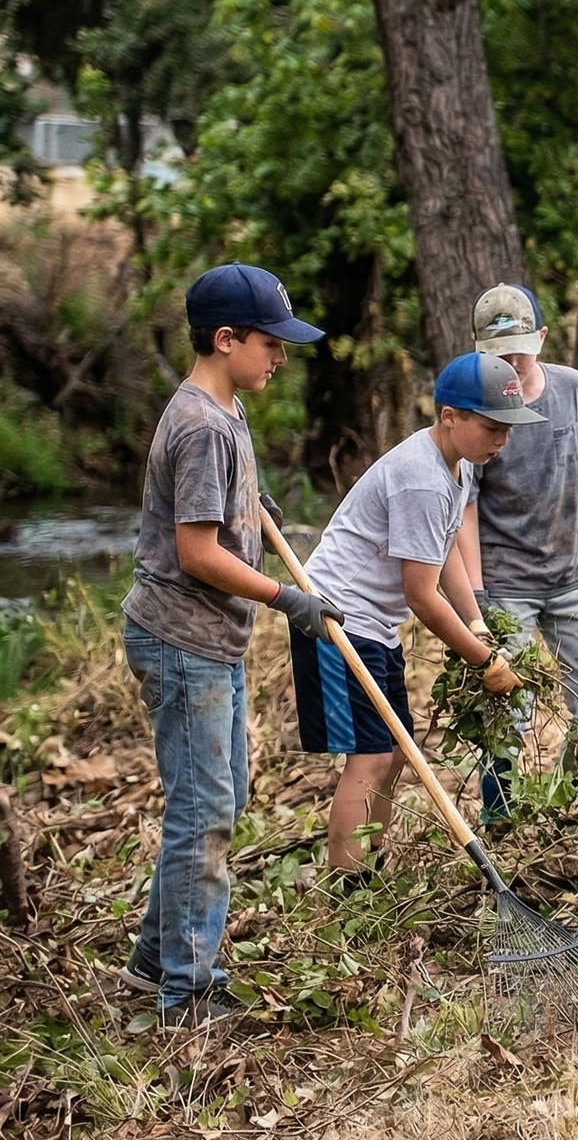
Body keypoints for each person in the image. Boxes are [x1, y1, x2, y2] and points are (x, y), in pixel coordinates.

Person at [119, 264, 334, 1026]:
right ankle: (187, 993)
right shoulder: (204, 424)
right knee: (205, 811)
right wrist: (287, 599)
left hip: (213, 640)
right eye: (271, 344)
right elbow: (198, 555)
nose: (280, 357)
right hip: (182, 639)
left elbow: (217, 505)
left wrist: (252, 499)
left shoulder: (224, 410)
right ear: (225, 339)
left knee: (225, 795)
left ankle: (153, 961)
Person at [294, 353, 541, 877]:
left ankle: (371, 869)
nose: (502, 441)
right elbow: (422, 596)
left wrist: (476, 623)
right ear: (450, 415)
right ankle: (348, 887)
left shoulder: (458, 467)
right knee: (371, 756)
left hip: (372, 623)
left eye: (508, 430)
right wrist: (483, 661)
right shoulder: (420, 479)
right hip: (334, 619)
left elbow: (445, 547)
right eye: (493, 427)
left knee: (397, 752)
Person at [468, 284, 578, 811]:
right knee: (505, 706)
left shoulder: (570, 387)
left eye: (518, 354)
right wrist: (476, 594)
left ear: (541, 339)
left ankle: (570, 795)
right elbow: (466, 507)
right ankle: (500, 819)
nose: (510, 367)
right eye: (497, 358)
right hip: (504, 579)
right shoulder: (475, 404)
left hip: (569, 574)